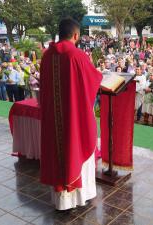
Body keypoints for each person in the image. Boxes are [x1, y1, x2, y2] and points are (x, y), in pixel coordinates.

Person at [39, 18, 102, 211]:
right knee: (76, 147)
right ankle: (79, 198)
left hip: (54, 117)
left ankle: (61, 201)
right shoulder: (78, 56)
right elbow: (94, 80)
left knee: (57, 153)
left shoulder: (47, 55)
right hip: (74, 118)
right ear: (76, 35)